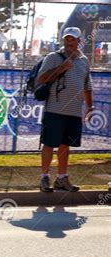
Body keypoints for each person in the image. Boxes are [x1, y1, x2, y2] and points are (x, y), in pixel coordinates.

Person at [37, 27, 94, 192]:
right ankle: (44, 177)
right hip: (54, 109)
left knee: (65, 145)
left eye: (72, 39)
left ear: (79, 41)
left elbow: (87, 86)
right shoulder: (53, 57)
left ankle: (61, 178)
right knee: (49, 144)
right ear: (63, 41)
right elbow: (41, 79)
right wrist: (61, 68)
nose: (69, 42)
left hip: (74, 111)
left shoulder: (84, 61)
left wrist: (90, 107)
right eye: (66, 39)